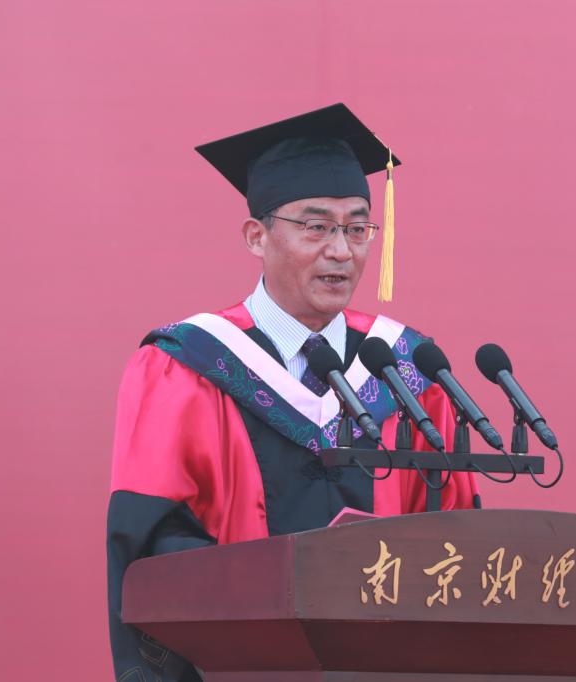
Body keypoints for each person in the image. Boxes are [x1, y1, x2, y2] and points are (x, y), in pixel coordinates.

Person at [106, 104, 480, 682]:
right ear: (257, 236)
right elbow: (153, 541)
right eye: (316, 226)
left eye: (357, 228)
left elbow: (455, 539)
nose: (342, 250)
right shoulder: (187, 364)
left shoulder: (408, 370)